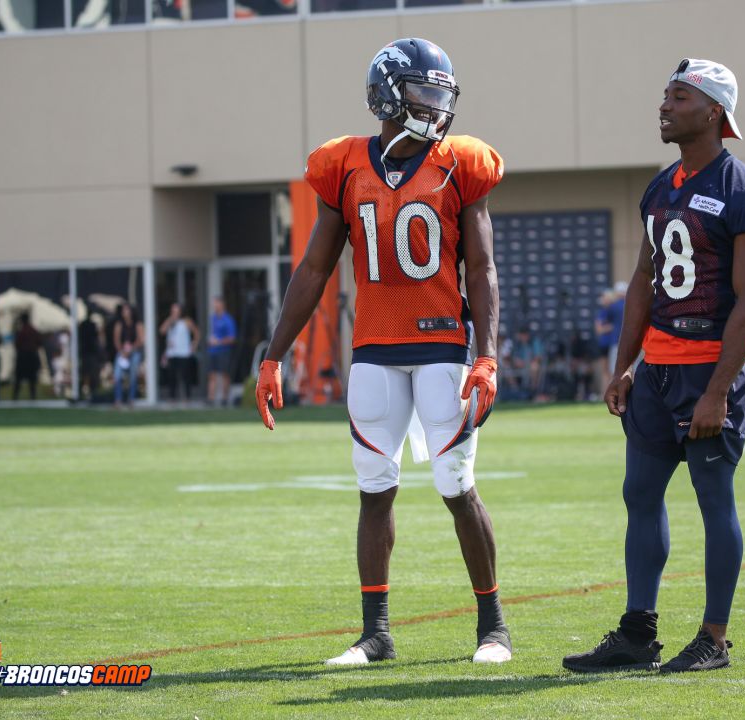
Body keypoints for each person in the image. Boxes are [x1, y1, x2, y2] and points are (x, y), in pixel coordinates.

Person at [254, 38, 510, 665]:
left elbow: (482, 268)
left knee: (456, 484)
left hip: (444, 344)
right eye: (424, 92)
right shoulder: (344, 164)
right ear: (388, 96)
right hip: (373, 347)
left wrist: (488, 353)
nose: (437, 106)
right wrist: (273, 354)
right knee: (375, 489)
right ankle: (377, 632)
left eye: (442, 93)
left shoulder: (461, 161)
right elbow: (314, 268)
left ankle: (493, 626)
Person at [563, 58, 745, 675]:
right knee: (640, 494)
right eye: (666, 95)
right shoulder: (661, 187)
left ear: (714, 111)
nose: (665, 106)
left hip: (710, 370)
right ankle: (638, 633)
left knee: (713, 497)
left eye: (680, 97)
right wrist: (625, 364)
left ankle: (714, 638)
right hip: (658, 369)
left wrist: (718, 390)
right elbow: (645, 279)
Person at [159, 302, 200, 404]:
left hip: (184, 353)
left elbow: (197, 333)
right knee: (172, 376)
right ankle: (172, 398)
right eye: (173, 310)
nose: (174, 312)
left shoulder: (187, 321)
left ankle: (187, 397)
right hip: (172, 353)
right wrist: (170, 320)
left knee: (185, 376)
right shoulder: (170, 321)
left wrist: (194, 344)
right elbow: (162, 331)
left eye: (176, 310)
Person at [112, 303, 144, 408]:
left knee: (133, 376)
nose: (124, 312)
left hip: (134, 352)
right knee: (117, 375)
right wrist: (122, 351)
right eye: (123, 310)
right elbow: (116, 340)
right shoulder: (119, 324)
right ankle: (118, 399)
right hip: (122, 353)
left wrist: (130, 349)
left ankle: (131, 399)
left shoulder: (137, 324)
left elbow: (141, 340)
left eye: (126, 310)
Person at [206, 296, 237, 407]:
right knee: (212, 375)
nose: (215, 306)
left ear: (222, 305)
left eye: (216, 304)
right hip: (213, 351)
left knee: (225, 375)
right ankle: (211, 399)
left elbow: (232, 338)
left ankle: (224, 398)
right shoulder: (213, 318)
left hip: (224, 351)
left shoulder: (228, 319)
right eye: (214, 304)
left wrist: (218, 342)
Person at [12, 312, 42, 401]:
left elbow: (17, 344)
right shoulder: (33, 330)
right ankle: (32, 396)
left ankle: (16, 397)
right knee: (32, 379)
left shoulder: (22, 331)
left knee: (19, 379)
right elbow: (39, 342)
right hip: (31, 356)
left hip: (24, 357)